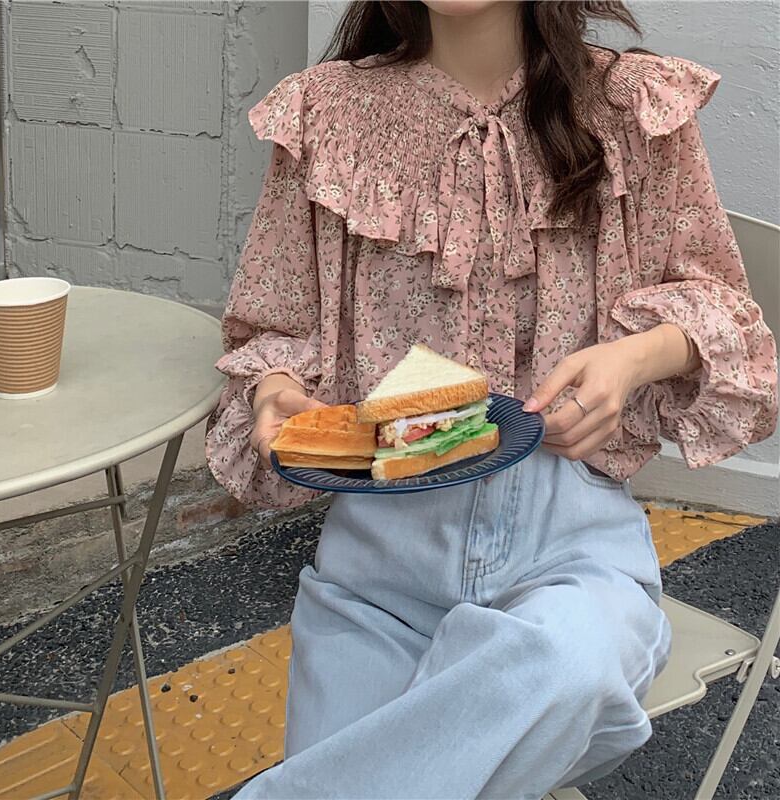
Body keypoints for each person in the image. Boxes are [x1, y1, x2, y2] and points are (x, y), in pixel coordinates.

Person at [206, 2, 778, 797]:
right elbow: (275, 327)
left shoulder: (632, 108)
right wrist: (275, 392)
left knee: (568, 666)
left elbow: (726, 318)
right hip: (377, 569)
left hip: (570, 548)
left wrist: (633, 358)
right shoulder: (326, 113)